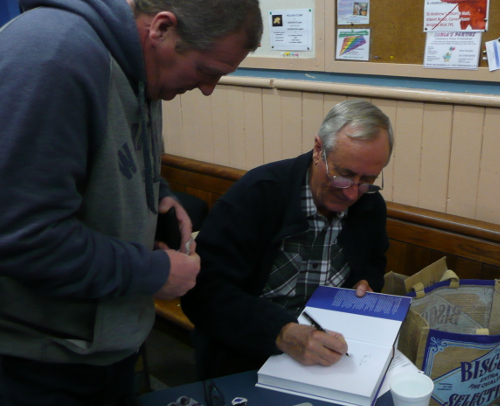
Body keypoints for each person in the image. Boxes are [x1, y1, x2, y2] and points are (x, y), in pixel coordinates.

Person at [0, 0, 262, 404]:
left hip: (103, 348)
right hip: (37, 365)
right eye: (207, 71)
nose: (209, 89)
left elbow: (105, 155)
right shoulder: (53, 56)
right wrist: (154, 271)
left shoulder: (139, 65)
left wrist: (158, 195)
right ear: (162, 29)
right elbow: (23, 236)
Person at [181, 99, 394, 380]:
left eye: (367, 179)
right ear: (319, 150)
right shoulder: (257, 195)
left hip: (330, 354)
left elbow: (373, 261)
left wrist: (367, 280)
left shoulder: (369, 203)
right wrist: (281, 332)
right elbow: (203, 293)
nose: (352, 193)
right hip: (245, 354)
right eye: (343, 175)